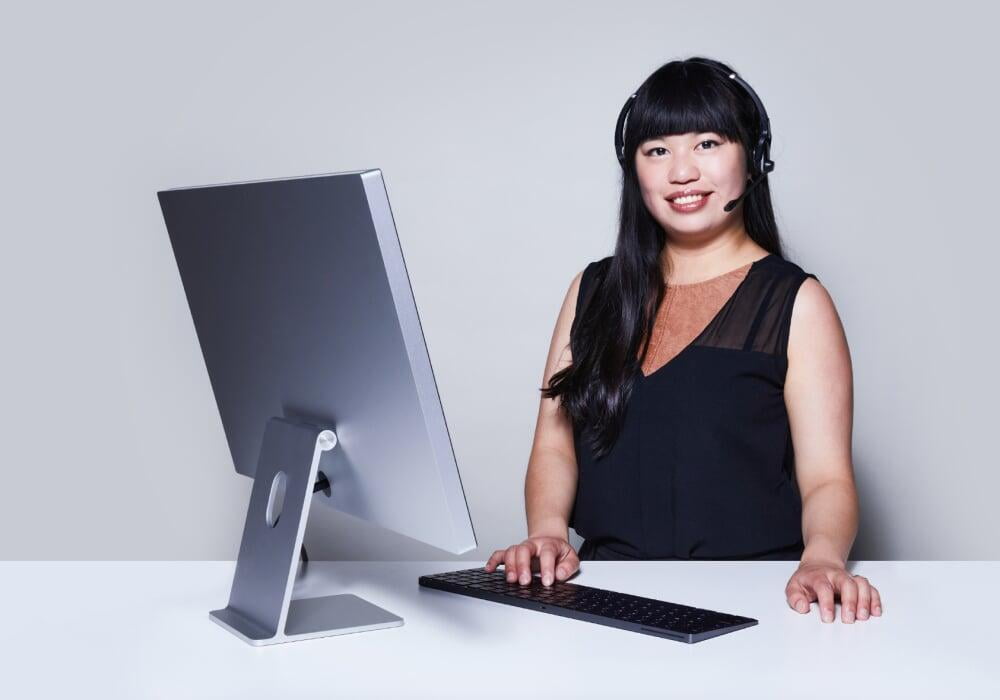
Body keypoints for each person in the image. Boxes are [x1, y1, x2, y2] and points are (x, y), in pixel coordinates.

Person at [484, 56, 882, 624]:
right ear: (633, 169)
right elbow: (554, 445)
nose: (682, 172)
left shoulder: (797, 302)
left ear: (752, 157)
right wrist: (546, 533)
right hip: (605, 597)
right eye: (657, 151)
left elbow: (827, 478)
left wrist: (822, 559)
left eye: (707, 144)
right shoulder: (591, 291)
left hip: (758, 601)